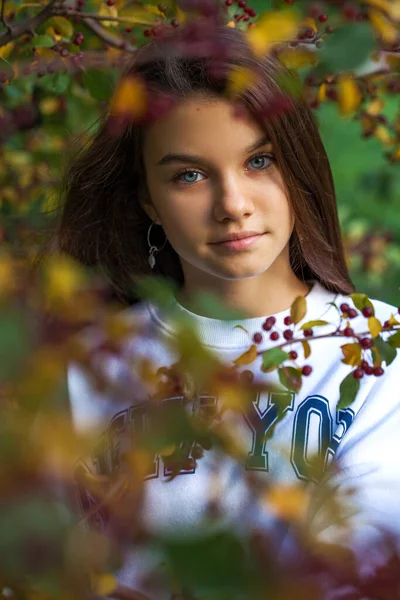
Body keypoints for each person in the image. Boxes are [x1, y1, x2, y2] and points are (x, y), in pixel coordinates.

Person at [54, 20, 400, 600]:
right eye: (189, 175)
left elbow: (361, 567)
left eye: (259, 162)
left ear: (298, 167)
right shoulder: (88, 364)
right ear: (148, 199)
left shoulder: (380, 348)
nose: (232, 205)